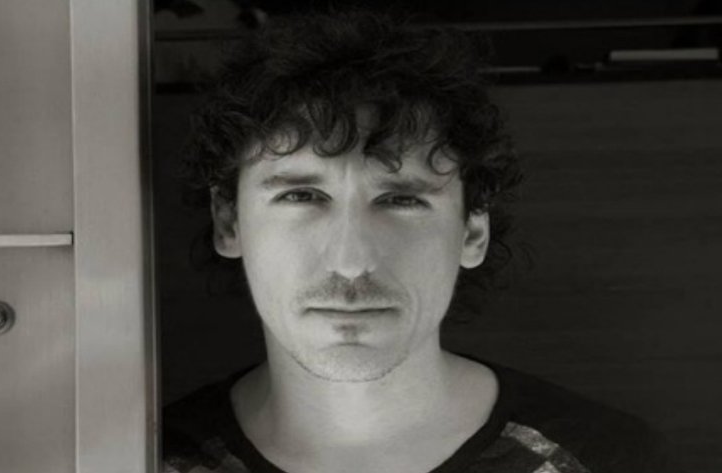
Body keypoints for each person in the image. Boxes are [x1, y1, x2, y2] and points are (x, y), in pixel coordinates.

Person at [163, 11, 678, 473]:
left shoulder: (607, 461)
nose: (350, 261)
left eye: (401, 200)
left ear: (472, 230)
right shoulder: (145, 459)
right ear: (228, 223)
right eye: (301, 196)